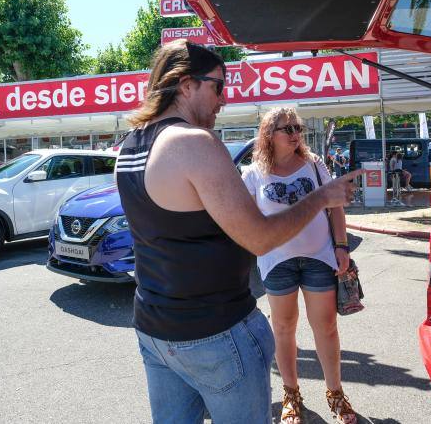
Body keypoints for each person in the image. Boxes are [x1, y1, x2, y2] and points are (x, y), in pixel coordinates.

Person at [116, 40, 361, 424]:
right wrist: (322, 197)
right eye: (218, 86)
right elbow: (259, 237)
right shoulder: (192, 142)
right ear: (185, 84)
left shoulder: (132, 145)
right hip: (215, 333)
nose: (223, 100)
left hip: (155, 331)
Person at [241, 106, 357, 424]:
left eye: (298, 128)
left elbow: (335, 207)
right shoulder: (253, 173)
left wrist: (342, 245)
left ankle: (336, 393)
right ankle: (291, 395)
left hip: (319, 256)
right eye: (287, 129)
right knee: (283, 328)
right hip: (277, 260)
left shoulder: (313, 165)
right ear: (269, 134)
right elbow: (247, 221)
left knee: (327, 328)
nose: (295, 135)